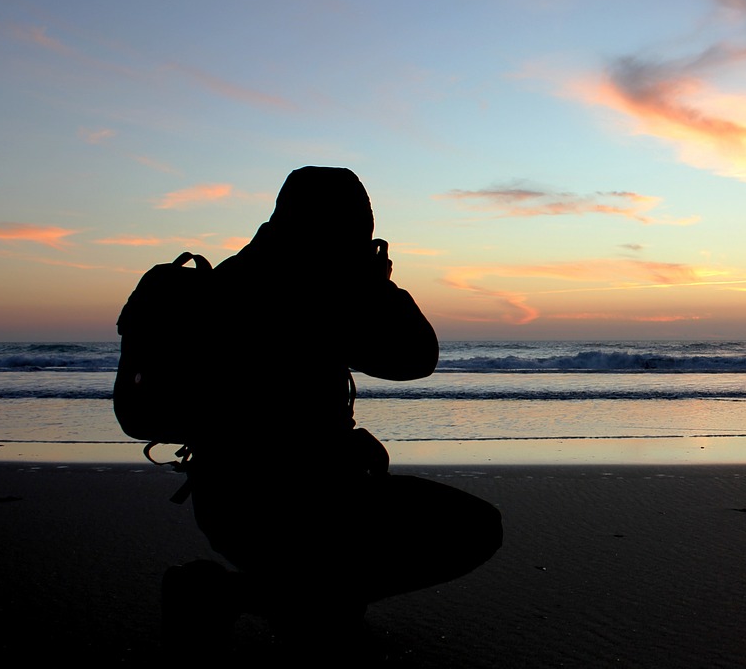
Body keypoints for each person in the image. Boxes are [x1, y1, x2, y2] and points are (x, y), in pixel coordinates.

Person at [167, 167, 501, 638]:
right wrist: (377, 284)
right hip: (290, 509)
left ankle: (302, 593)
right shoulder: (305, 289)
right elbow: (415, 356)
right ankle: (235, 594)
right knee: (475, 528)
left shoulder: (235, 276)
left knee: (332, 590)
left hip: (226, 503)